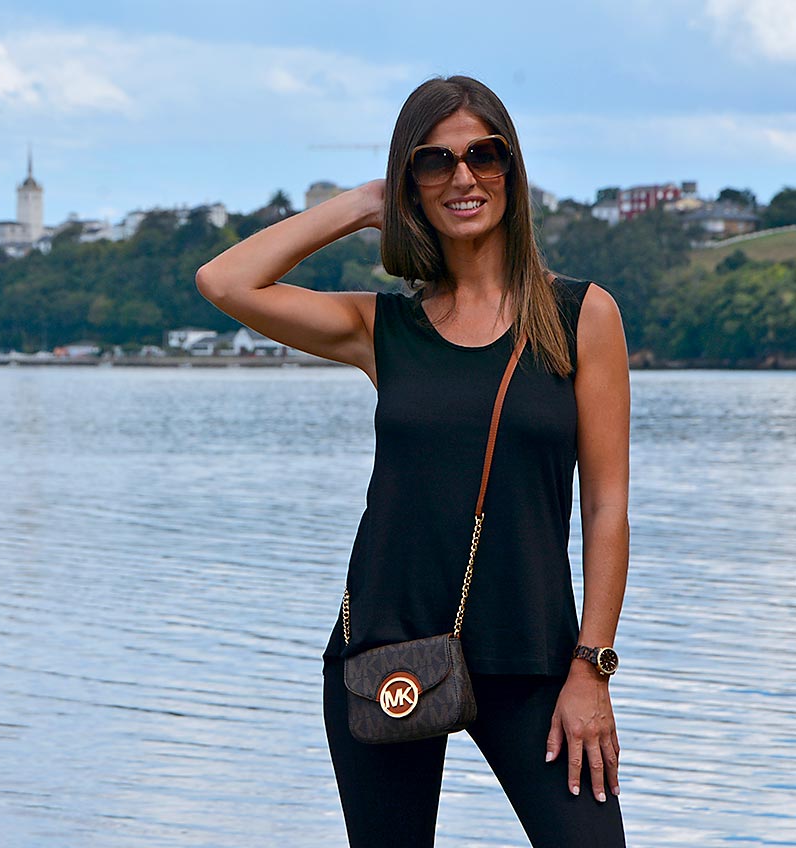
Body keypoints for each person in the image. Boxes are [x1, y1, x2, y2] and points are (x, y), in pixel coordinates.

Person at [195, 75, 629, 847]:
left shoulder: (581, 317)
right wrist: (367, 202)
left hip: (535, 655)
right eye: (434, 161)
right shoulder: (382, 328)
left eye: (483, 155)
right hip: (385, 651)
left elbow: (606, 507)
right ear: (411, 182)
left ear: (511, 168)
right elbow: (223, 281)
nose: (463, 177)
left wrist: (591, 668)